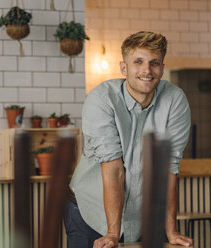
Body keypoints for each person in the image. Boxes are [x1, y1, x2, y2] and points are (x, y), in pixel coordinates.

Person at [64, 31, 193, 248]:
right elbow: (113, 168)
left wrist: (171, 231)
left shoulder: (175, 101)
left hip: (143, 217)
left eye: (155, 63)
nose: (147, 70)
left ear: (162, 67)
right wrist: (113, 233)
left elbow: (168, 169)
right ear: (124, 68)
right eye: (138, 62)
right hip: (90, 213)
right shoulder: (101, 99)